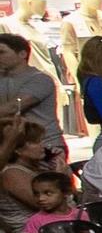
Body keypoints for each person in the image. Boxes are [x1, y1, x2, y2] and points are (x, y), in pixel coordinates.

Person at [0, 32, 62, 163]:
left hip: (44, 146)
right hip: (13, 146)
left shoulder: (40, 79)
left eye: (2, 52)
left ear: (22, 54)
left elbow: (13, 107)